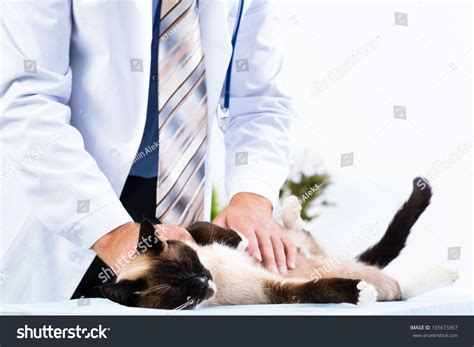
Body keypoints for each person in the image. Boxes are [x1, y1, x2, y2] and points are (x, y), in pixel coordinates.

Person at [0, 0, 295, 304]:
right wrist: (111, 233)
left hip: (182, 220)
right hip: (67, 204)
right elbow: (28, 99)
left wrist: (251, 198)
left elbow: (261, 99)